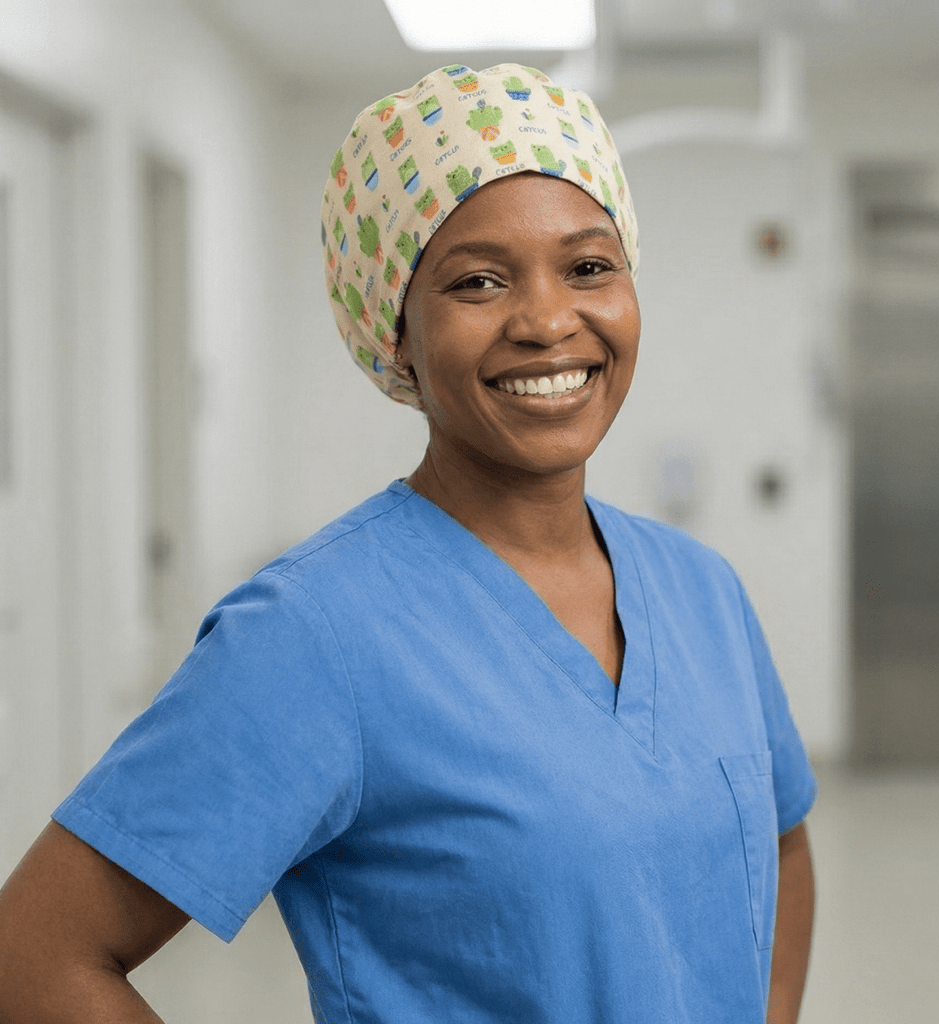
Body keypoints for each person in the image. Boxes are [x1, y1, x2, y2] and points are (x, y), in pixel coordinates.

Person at [0, 63, 816, 1023]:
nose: (551, 320)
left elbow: (784, 844)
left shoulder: (701, 589)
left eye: (590, 266)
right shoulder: (314, 634)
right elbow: (38, 955)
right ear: (396, 338)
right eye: (477, 281)